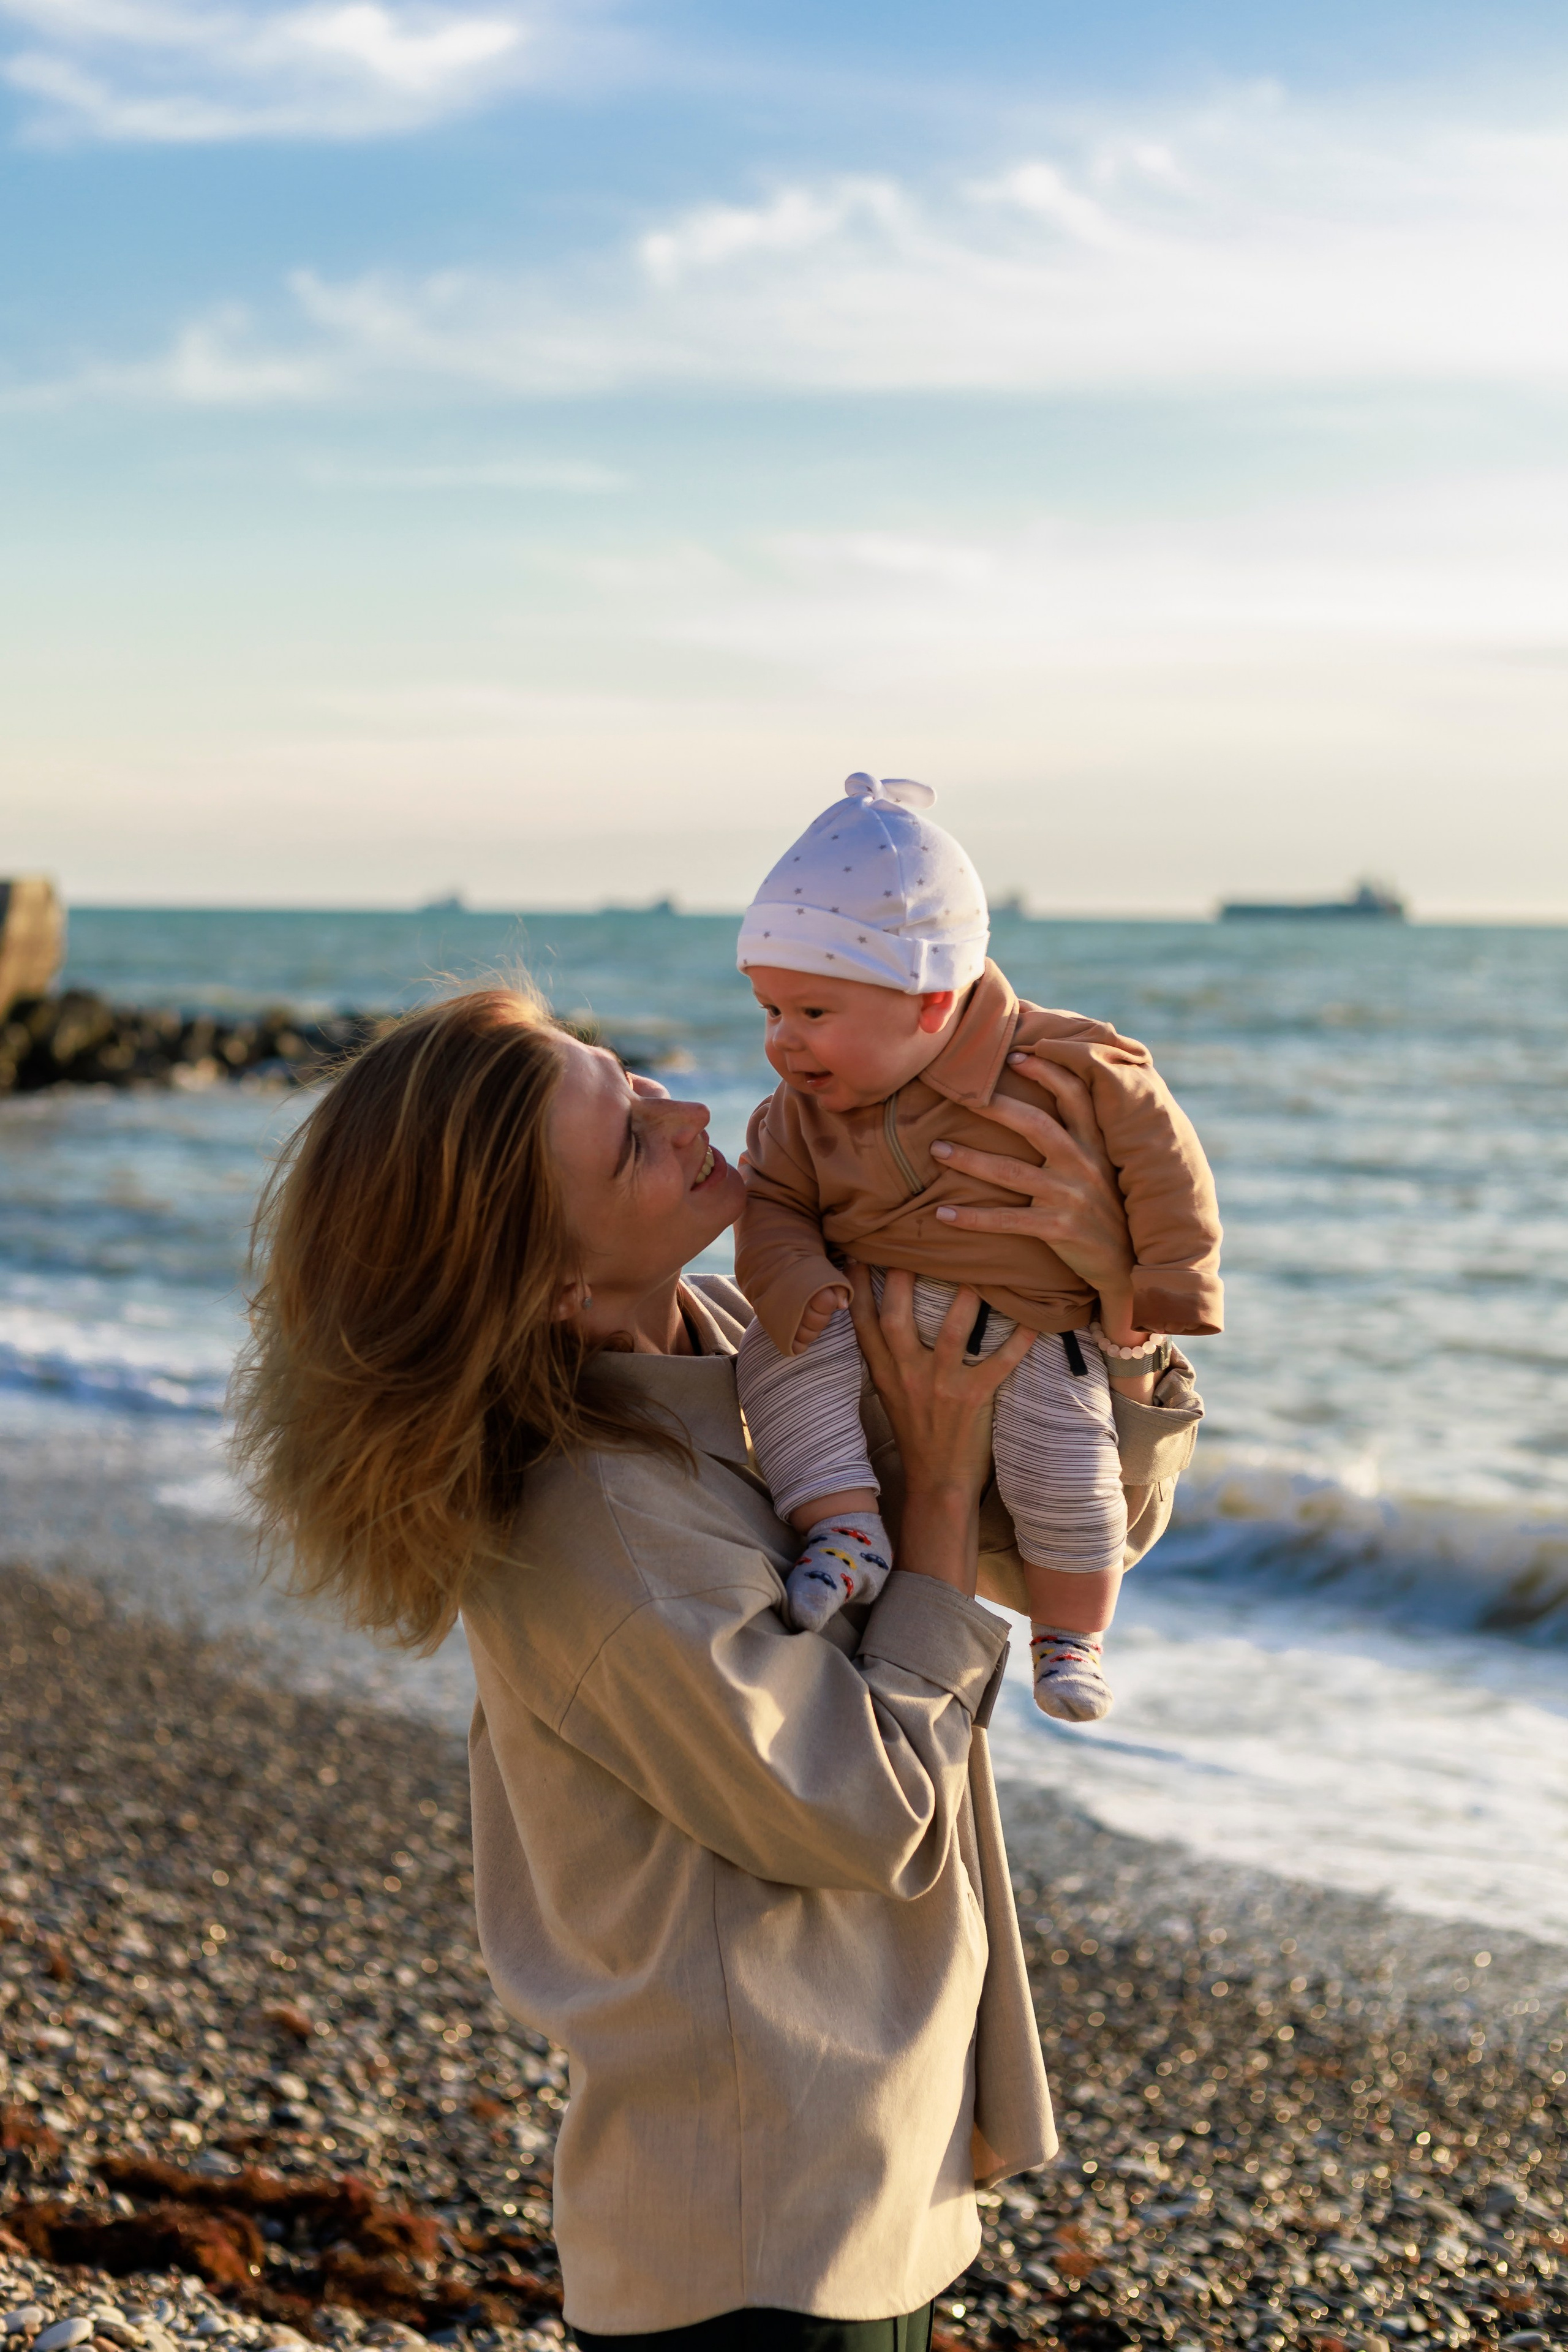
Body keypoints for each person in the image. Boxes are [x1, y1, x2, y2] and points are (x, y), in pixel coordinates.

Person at [232, 984, 1204, 2349]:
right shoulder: (597, 1537)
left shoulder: (741, 1346)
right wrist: (925, 1496)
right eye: (627, 1139)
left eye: (628, 1079)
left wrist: (1107, 1315)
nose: (684, 1111)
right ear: (553, 1287)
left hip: (858, 2163)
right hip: (756, 2235)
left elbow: (1064, 1531)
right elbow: (864, 1809)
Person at [735, 771, 1222, 1724]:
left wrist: (1166, 1285)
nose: (783, 1045)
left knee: (1071, 1470)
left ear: (928, 1002)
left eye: (813, 1013)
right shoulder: (796, 1116)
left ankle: (1071, 1635)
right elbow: (772, 1206)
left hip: (1036, 1326)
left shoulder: (1065, 1065)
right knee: (780, 1365)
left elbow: (1163, 1159)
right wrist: (795, 1280)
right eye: (770, 1012)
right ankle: (843, 1526)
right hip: (861, 1316)